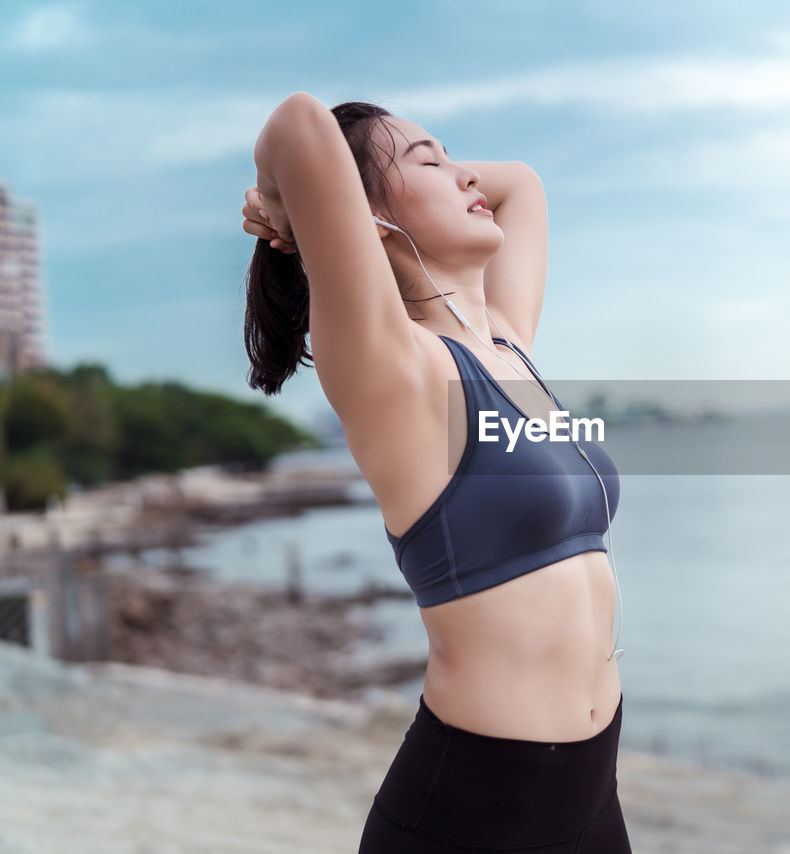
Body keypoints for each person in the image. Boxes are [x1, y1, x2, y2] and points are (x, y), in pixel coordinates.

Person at [240, 92, 631, 853]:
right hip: (472, 816)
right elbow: (296, 123)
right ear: (370, 221)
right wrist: (284, 199)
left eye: (454, 159)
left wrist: (423, 173)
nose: (465, 178)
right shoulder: (395, 369)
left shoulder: (508, 347)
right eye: (429, 161)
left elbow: (520, 182)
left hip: (592, 799)